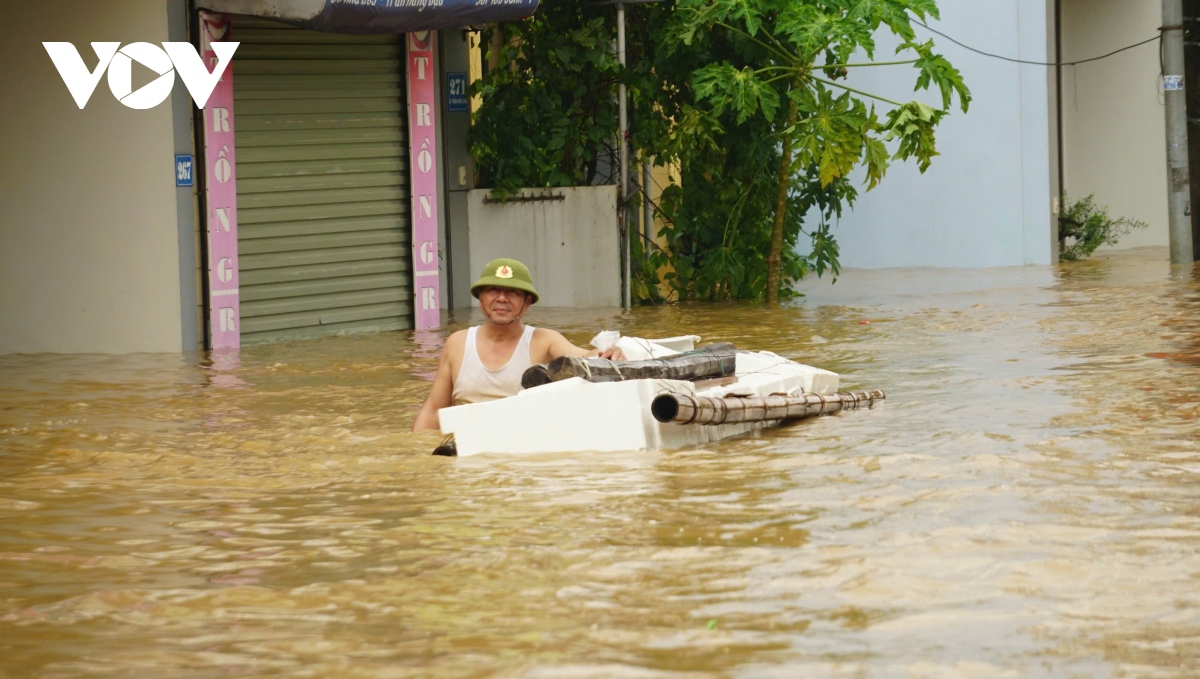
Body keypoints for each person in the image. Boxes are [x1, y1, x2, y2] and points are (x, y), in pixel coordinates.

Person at [412, 258, 624, 431]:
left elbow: (583, 357)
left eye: (512, 292)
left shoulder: (543, 341)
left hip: (519, 447)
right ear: (481, 299)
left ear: (527, 303)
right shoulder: (457, 343)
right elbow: (433, 410)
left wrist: (607, 353)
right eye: (493, 290)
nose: (502, 298)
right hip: (466, 446)